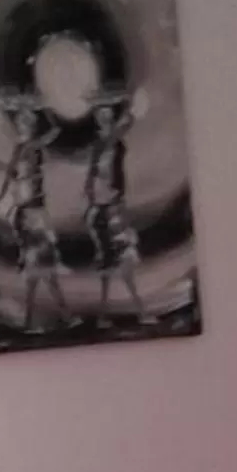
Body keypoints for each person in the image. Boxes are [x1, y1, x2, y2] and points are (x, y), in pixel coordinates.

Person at [0, 98, 67, 332]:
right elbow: (10, 178)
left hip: (34, 213)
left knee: (43, 271)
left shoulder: (33, 146)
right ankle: (44, 318)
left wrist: (45, 109)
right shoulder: (19, 150)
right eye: (22, 123)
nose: (24, 127)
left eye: (28, 123)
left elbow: (55, 131)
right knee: (38, 272)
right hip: (26, 215)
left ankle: (53, 316)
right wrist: (1, 198)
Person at [83, 95, 144, 318]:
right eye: (102, 116)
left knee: (122, 263)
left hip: (112, 203)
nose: (105, 120)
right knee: (108, 264)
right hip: (103, 205)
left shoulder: (112, 140)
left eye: (108, 116)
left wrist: (126, 103)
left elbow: (127, 122)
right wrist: (91, 200)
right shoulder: (100, 144)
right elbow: (92, 175)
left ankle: (135, 309)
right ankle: (107, 313)